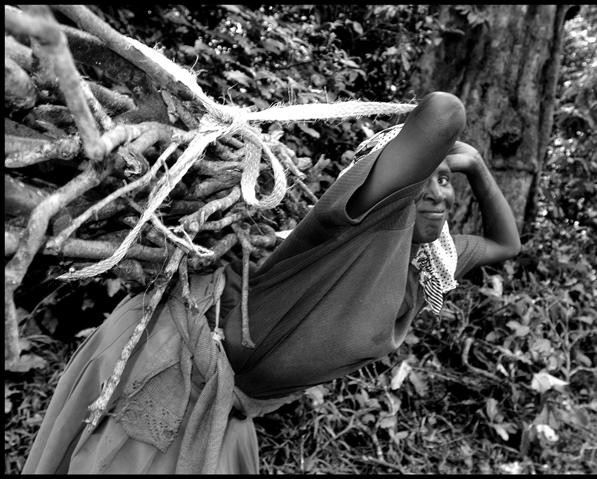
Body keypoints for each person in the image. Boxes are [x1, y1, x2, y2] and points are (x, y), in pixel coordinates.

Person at [22, 92, 520, 474]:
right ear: (394, 184)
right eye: (427, 178)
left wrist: (476, 165)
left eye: (446, 180)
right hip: (170, 370)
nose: (440, 194)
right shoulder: (359, 223)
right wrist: (438, 150)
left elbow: (507, 244)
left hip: (229, 412)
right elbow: (442, 113)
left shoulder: (429, 263)